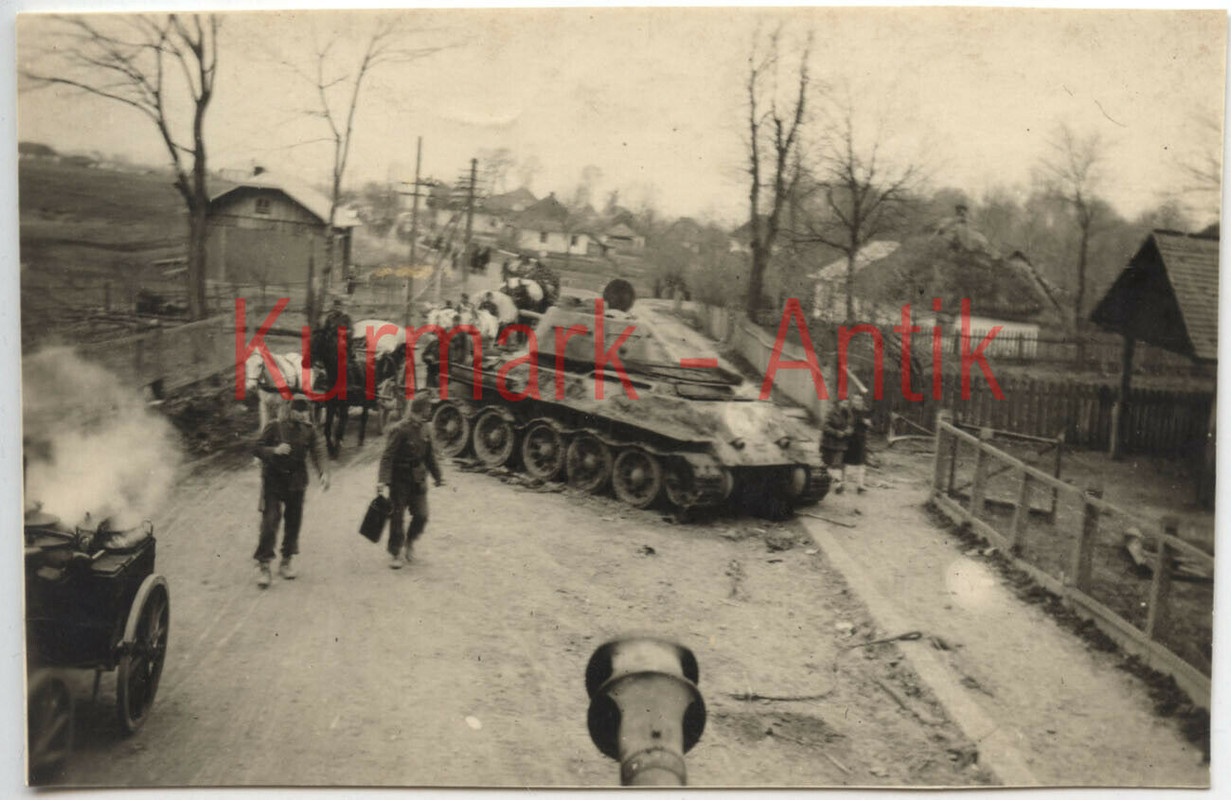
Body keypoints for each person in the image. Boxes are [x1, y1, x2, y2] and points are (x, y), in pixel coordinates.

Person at [253, 396, 330, 587]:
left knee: (293, 522)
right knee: (270, 521)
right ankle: (264, 565)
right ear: (290, 410)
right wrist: (274, 451)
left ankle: (286, 561)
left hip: (296, 482)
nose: (304, 415)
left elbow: (319, 450)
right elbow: (256, 447)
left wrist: (324, 472)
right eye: (300, 411)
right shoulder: (275, 426)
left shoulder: (308, 430)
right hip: (273, 481)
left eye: (306, 411)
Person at [377, 397, 444, 569]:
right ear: (420, 410)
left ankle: (410, 541)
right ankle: (395, 553)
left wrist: (438, 476)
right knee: (397, 516)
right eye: (428, 408)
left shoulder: (426, 429)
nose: (430, 412)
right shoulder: (400, 429)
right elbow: (387, 456)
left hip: (418, 480)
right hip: (399, 480)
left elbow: (430, 457)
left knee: (422, 515)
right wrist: (382, 480)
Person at [820, 398, 854, 493]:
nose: (845, 405)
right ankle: (826, 482)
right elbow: (824, 426)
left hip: (841, 443)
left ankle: (838, 485)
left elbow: (851, 426)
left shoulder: (848, 414)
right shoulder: (831, 412)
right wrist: (836, 432)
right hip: (829, 442)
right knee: (826, 463)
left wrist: (848, 431)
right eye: (844, 402)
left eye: (847, 403)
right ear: (839, 403)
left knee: (837, 463)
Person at [844, 395, 872, 494]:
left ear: (862, 401)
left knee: (861, 462)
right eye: (855, 399)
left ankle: (860, 485)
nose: (857, 402)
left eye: (859, 400)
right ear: (852, 401)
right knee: (846, 461)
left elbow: (871, 424)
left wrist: (868, 423)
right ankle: (843, 484)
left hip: (861, 439)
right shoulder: (848, 411)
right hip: (849, 439)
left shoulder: (866, 411)